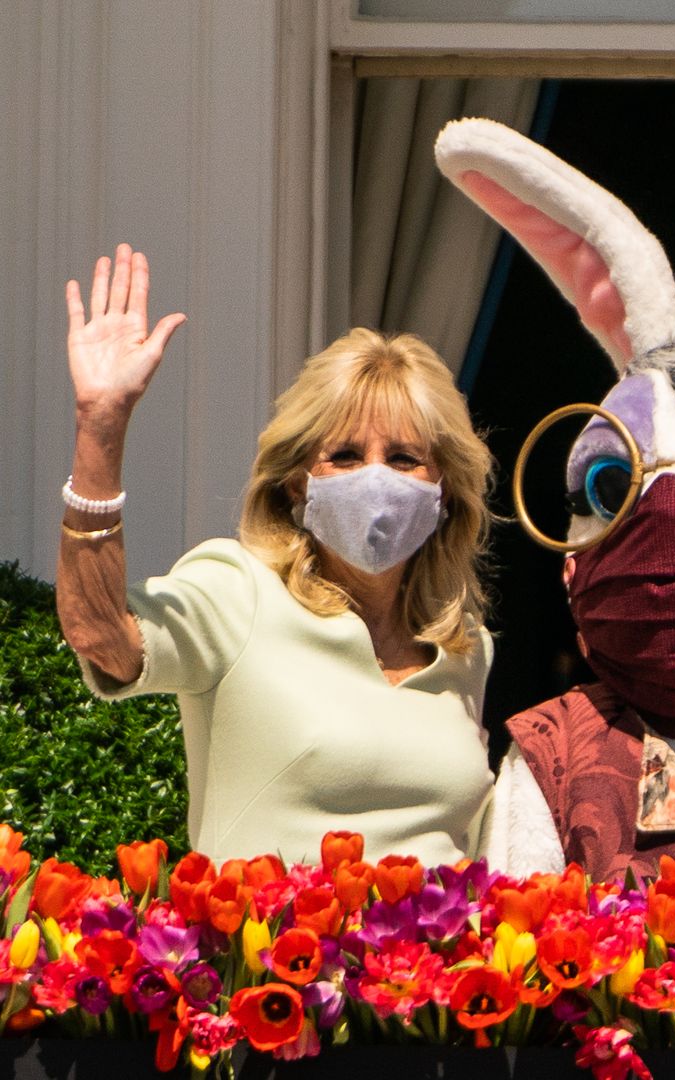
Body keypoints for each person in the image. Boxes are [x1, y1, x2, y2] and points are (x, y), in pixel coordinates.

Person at [57, 244, 496, 866]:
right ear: (297, 483)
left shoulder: (466, 645)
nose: (375, 480)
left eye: (403, 458)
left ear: (443, 487)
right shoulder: (238, 591)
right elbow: (101, 635)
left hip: (439, 960)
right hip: (276, 960)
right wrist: (100, 428)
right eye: (344, 455)